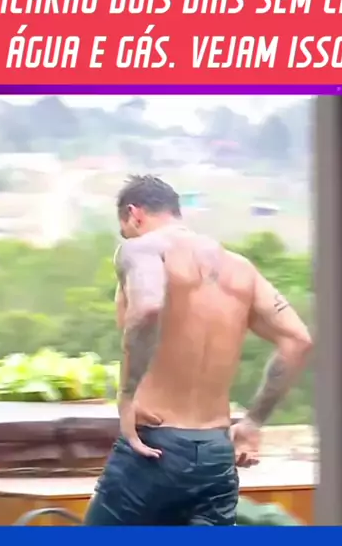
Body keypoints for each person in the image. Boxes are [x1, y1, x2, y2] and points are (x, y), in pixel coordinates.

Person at [84, 175, 312, 526]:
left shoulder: (142, 249)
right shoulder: (241, 269)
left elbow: (147, 307)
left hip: (154, 444)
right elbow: (298, 340)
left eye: (125, 230)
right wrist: (252, 422)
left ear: (134, 214)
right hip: (216, 454)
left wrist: (127, 395)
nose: (127, 238)